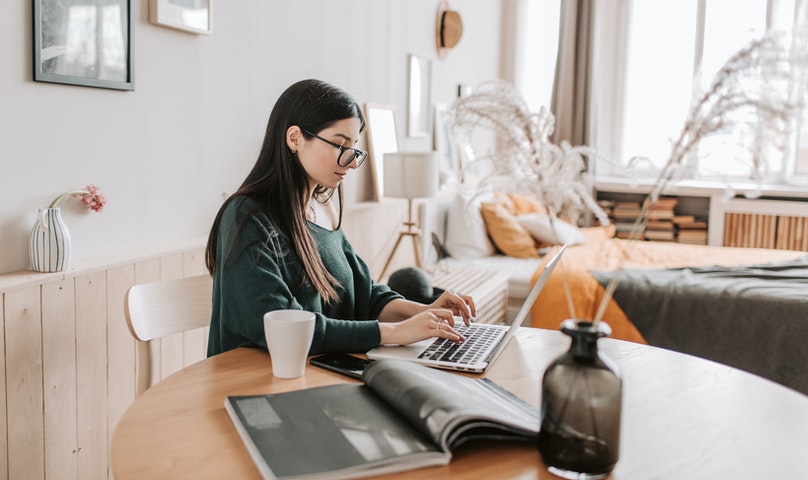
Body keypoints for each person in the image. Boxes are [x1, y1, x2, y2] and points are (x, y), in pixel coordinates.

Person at [205, 79, 476, 356]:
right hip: (257, 383)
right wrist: (394, 333)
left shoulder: (324, 209)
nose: (352, 162)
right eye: (339, 145)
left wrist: (426, 312)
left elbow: (364, 295)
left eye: (355, 148)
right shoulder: (247, 217)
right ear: (295, 138)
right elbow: (284, 327)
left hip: (322, 372)